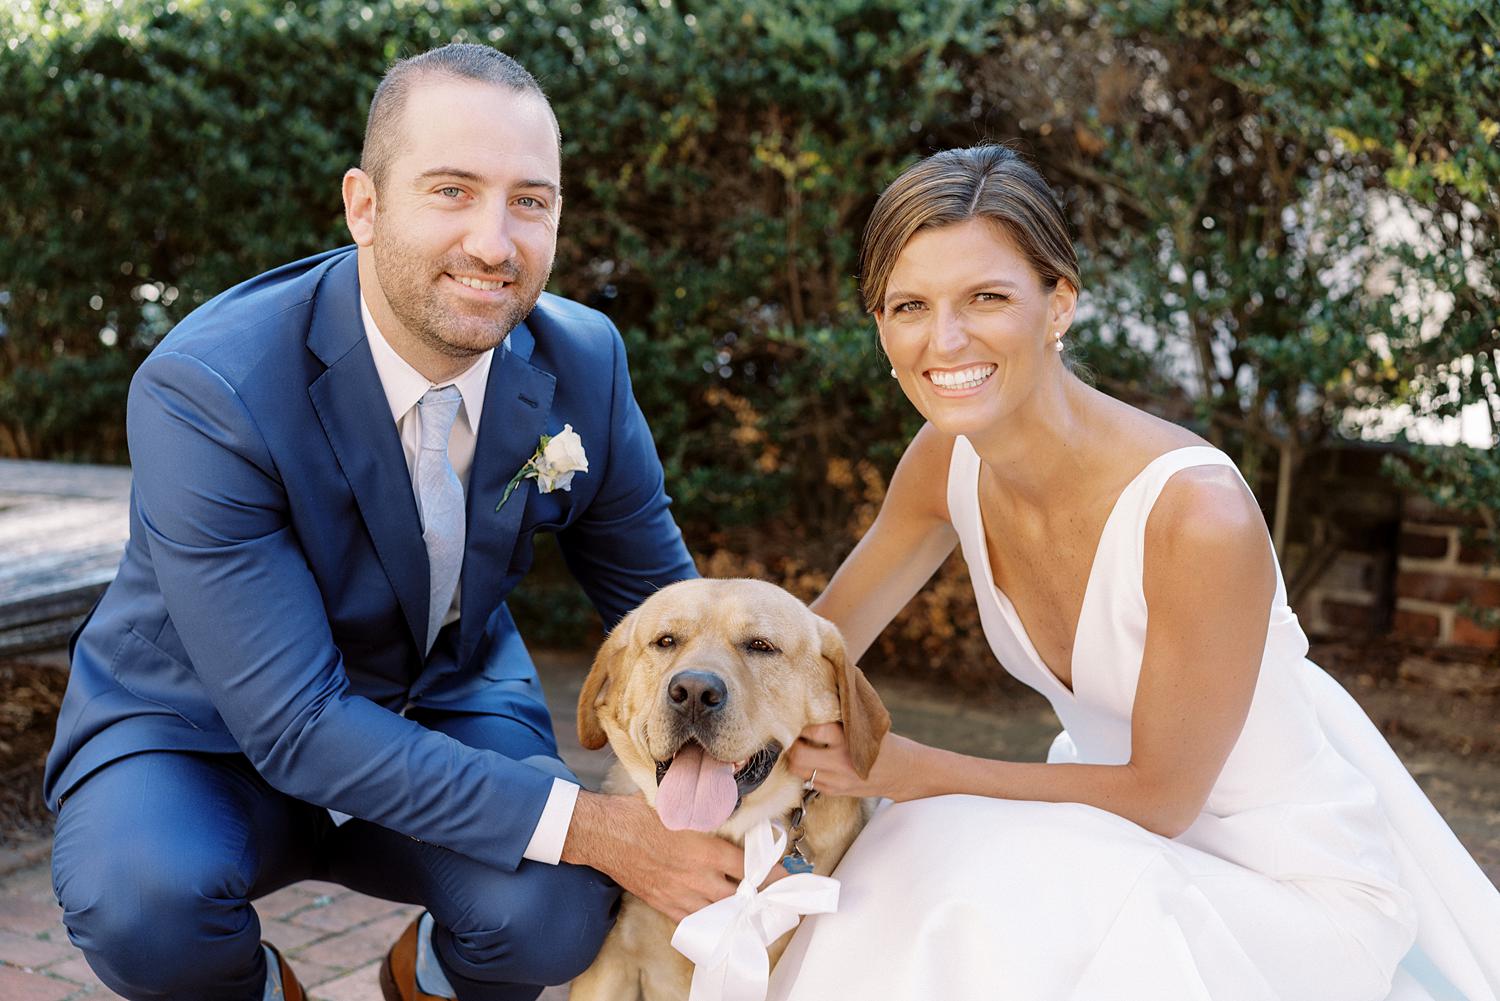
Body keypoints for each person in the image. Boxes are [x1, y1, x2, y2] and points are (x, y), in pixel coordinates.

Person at [44, 44, 747, 1001]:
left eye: (529, 201)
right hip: (201, 732)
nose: (495, 243)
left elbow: (671, 611)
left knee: (552, 914)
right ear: (363, 206)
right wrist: (594, 823)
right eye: (451, 190)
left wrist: (776, 767)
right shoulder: (207, 388)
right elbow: (297, 722)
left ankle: (422, 980)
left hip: (446, 694)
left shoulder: (584, 359)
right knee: (141, 903)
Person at [770, 145, 1500, 1001]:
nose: (946, 339)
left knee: (951, 848)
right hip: (1111, 842)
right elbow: (805, 653)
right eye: (909, 306)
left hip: (1280, 886)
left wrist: (908, 768)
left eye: (987, 298)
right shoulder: (942, 462)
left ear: (1059, 304)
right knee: (893, 863)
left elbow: (1162, 798)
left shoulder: (1197, 515)